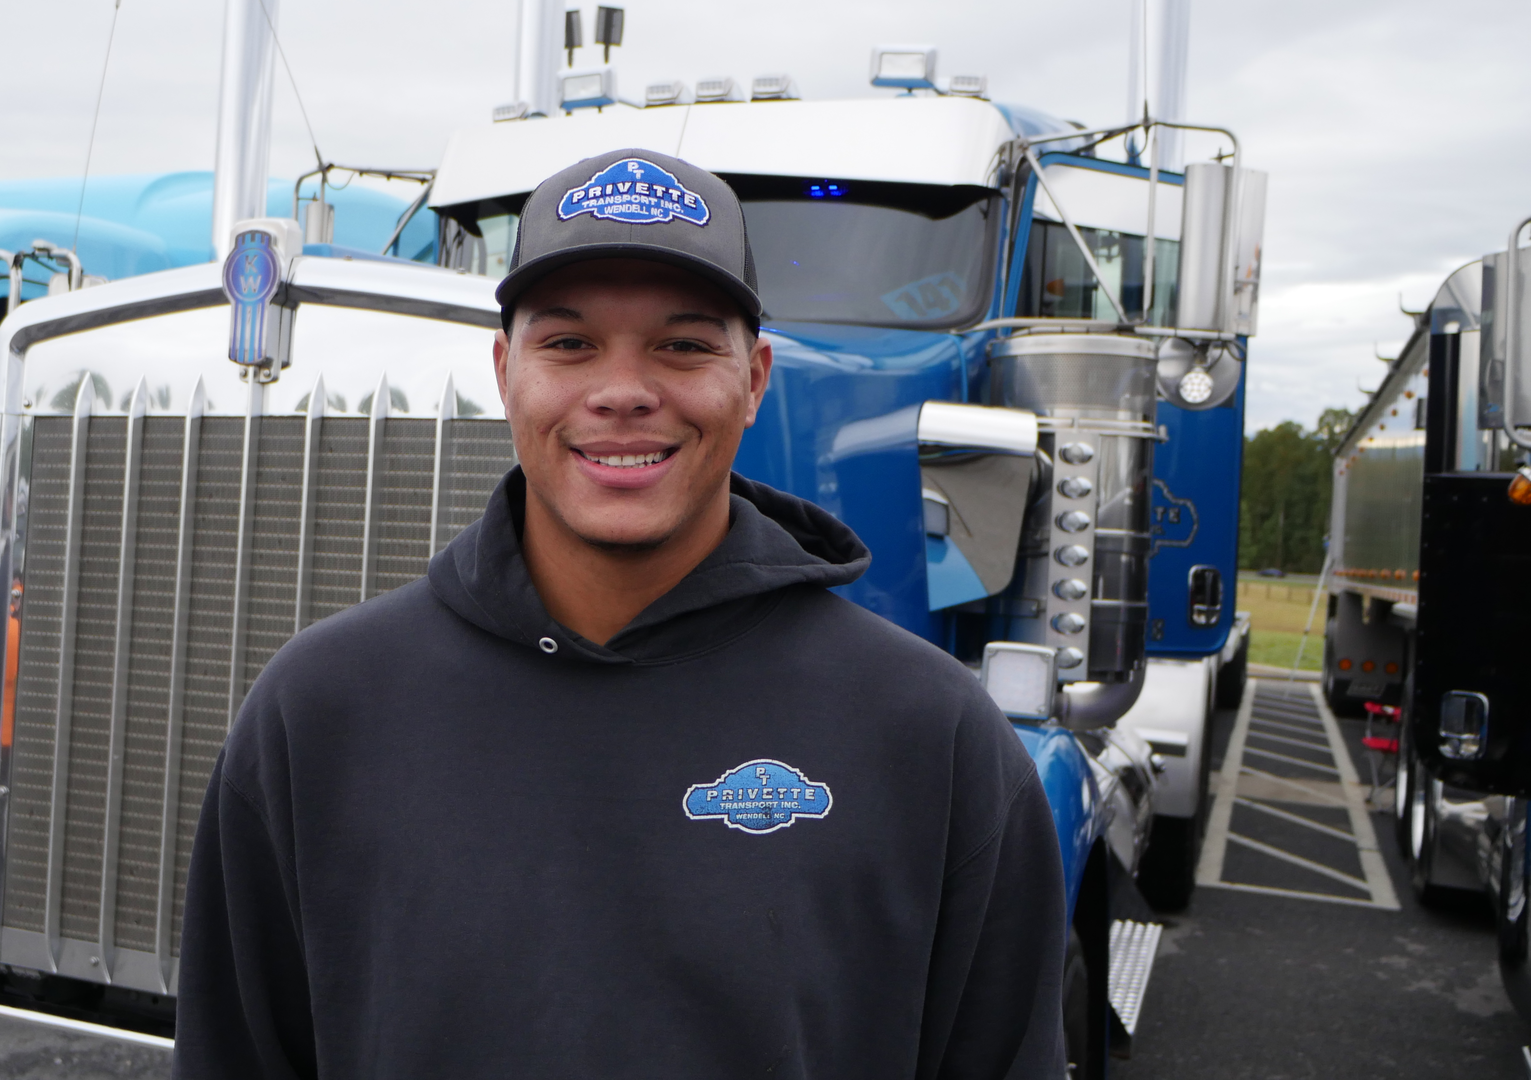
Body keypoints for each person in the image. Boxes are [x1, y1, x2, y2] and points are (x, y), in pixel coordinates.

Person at [175, 149, 1068, 1079]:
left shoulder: (929, 737)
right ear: (504, 371)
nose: (623, 390)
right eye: (569, 344)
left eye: (684, 346)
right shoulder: (320, 714)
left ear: (755, 379)